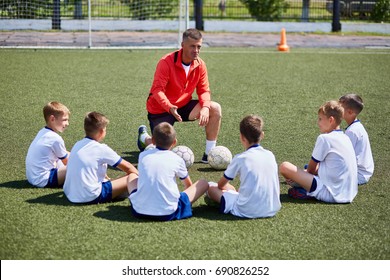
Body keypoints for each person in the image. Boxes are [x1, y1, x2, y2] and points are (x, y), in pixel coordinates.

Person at [137, 28, 222, 163]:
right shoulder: (166, 62)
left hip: (183, 106)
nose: (196, 50)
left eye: (199, 46)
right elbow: (157, 90)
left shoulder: (200, 65)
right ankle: (144, 138)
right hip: (161, 109)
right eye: (192, 46)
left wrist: (205, 107)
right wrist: (169, 107)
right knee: (162, 151)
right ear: (182, 45)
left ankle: (209, 154)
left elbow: (204, 90)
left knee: (215, 108)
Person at [279, 100, 358, 203]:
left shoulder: (325, 138)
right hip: (349, 192)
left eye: (320, 119)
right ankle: (304, 187)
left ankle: (306, 192)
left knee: (285, 167)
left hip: (331, 193)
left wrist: (297, 177)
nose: (318, 122)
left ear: (331, 120)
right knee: (305, 169)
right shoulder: (345, 137)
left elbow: (311, 170)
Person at [129, 122, 209, 221]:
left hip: (139, 211)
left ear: (152, 140)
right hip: (169, 213)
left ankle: (142, 199)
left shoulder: (143, 156)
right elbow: (188, 185)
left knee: (132, 176)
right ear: (174, 142)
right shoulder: (177, 159)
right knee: (203, 183)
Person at [206, 115, 281, 218]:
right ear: (262, 135)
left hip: (246, 210)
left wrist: (227, 190)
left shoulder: (240, 158)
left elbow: (220, 185)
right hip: (272, 209)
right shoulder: (270, 155)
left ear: (242, 137)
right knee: (232, 189)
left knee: (210, 187)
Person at [64, 112, 138, 204]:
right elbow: (128, 167)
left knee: (113, 180)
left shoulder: (77, 144)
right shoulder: (101, 149)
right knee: (133, 177)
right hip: (90, 196)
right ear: (102, 131)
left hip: (70, 193)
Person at [25, 101, 70, 188]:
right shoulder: (55, 139)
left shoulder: (43, 132)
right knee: (79, 165)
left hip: (33, 177)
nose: (67, 123)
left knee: (70, 159)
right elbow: (68, 162)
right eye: (64, 120)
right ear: (52, 119)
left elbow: (64, 153)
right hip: (43, 180)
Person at [339, 93, 374, 185]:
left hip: (358, 175)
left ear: (350, 112)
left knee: (321, 174)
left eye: (340, 108)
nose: (337, 110)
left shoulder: (352, 131)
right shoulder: (356, 127)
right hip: (363, 172)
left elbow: (344, 158)